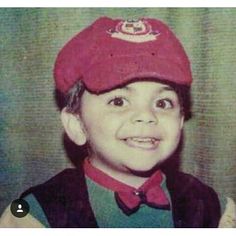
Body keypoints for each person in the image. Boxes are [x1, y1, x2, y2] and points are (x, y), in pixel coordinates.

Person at [0, 16, 235, 228]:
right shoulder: (33, 215)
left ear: (181, 121)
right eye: (119, 101)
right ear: (76, 124)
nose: (146, 115)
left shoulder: (214, 209)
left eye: (163, 103)